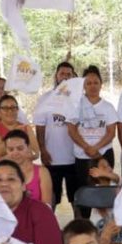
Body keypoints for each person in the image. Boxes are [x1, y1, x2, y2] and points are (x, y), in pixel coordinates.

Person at [68, 67, 118, 218]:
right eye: (88, 83)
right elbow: (72, 129)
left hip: (103, 155)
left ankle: (105, 224)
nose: (92, 86)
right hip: (82, 157)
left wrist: (96, 148)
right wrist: (86, 147)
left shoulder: (108, 107)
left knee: (104, 190)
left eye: (96, 82)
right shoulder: (76, 105)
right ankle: (85, 224)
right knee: (84, 192)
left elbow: (111, 132)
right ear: (83, 85)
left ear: (101, 84)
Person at [35, 62, 79, 209]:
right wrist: (43, 149)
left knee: (77, 197)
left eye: (69, 74)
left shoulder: (79, 99)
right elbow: (40, 127)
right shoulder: (45, 99)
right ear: (56, 75)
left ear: (73, 77)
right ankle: (49, 227)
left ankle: (78, 228)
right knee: (51, 196)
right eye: (62, 73)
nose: (65, 77)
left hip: (75, 157)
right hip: (52, 157)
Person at [2, 130, 53, 205]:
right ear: (6, 150)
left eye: (20, 148)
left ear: (28, 147)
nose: (15, 153)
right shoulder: (2, 174)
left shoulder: (42, 172)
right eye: (11, 149)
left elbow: (47, 206)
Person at [0, 94, 30, 169]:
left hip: (24, 171)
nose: (10, 111)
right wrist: (15, 133)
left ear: (17, 110)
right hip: (0, 170)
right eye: (5, 108)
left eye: (13, 107)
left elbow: (35, 152)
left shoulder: (25, 127)